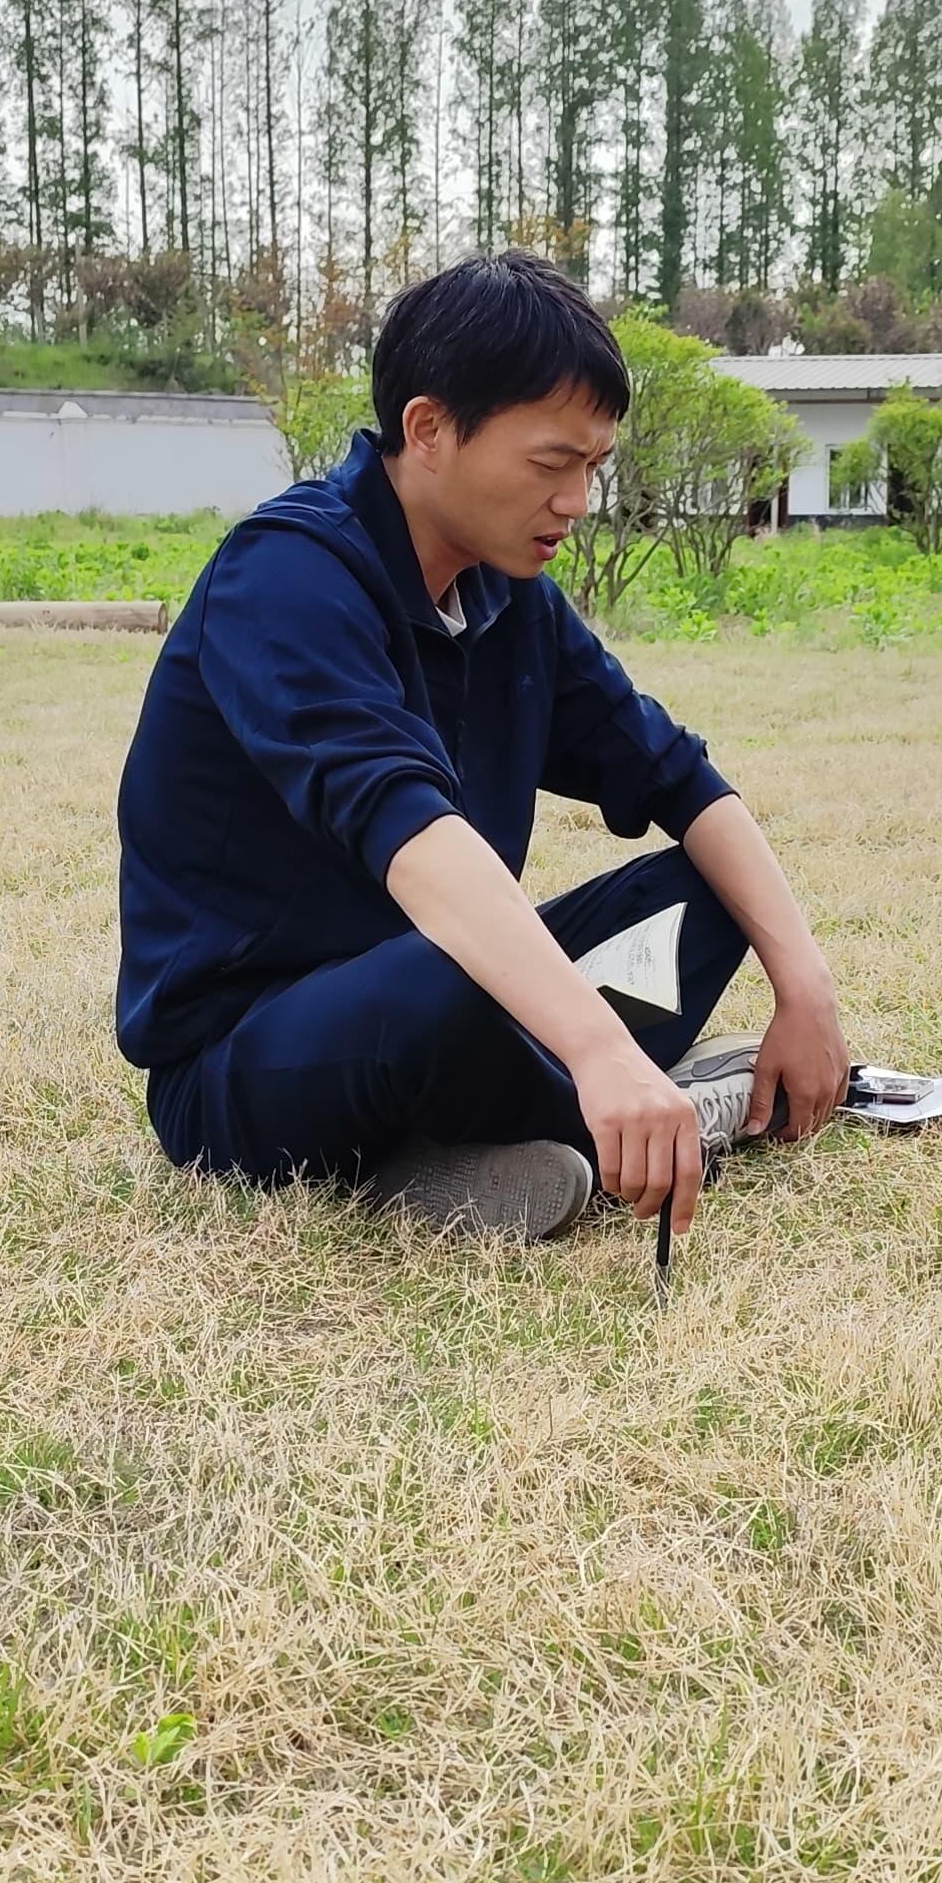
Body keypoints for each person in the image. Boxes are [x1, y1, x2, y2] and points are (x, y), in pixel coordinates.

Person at [116, 250, 851, 1240]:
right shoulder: (286, 577)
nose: (577, 501)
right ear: (428, 430)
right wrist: (600, 1048)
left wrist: (807, 990)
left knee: (711, 895)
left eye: (593, 467)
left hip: (452, 997)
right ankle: (633, 1110)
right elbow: (406, 830)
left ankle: (481, 1146)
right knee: (452, 980)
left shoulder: (508, 598)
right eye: (552, 464)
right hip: (250, 1062)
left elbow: (679, 777)